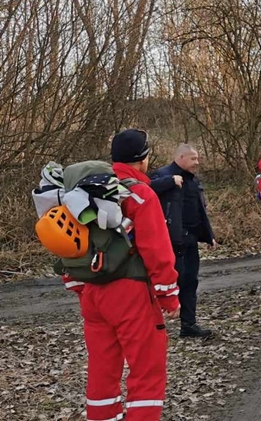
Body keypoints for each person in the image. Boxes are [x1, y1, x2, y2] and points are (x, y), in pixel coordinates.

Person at [71, 129, 180, 421]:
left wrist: (78, 285)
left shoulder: (83, 191)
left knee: (102, 371)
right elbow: (157, 251)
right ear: (143, 159)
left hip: (92, 293)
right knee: (147, 371)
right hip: (131, 293)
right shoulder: (141, 194)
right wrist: (169, 295)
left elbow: (68, 243)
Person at [151, 144, 216, 338]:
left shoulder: (193, 180)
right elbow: (145, 189)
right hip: (170, 241)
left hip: (190, 239)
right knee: (168, 283)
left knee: (190, 282)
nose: (197, 163)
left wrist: (208, 235)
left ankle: (188, 324)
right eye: (193, 159)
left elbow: (200, 209)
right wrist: (169, 181)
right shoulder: (162, 174)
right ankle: (154, 325)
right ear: (181, 157)